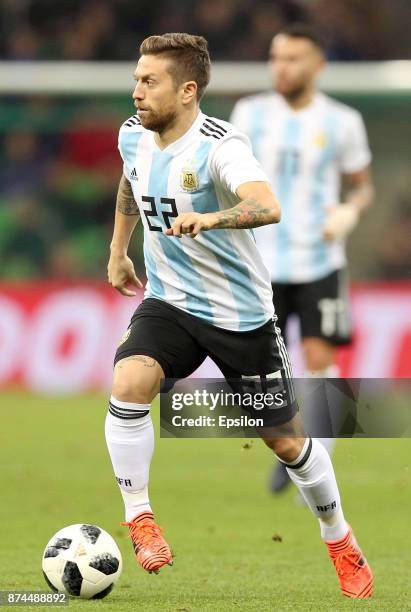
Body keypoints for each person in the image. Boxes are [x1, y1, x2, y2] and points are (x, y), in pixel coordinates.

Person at [105, 32, 373, 598]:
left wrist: (214, 219)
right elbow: (130, 185)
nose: (137, 92)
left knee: (288, 443)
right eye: (136, 79)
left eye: (149, 82)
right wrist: (118, 251)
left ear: (187, 90)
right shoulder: (133, 135)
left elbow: (265, 204)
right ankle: (140, 518)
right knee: (130, 381)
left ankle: (339, 536)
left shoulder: (221, 146)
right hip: (171, 300)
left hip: (240, 315)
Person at [230, 23, 374, 493]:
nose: (282, 67)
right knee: (265, 366)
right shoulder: (248, 114)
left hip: (319, 258)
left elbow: (362, 184)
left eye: (292, 58)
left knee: (320, 359)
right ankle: (291, 444)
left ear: (317, 65)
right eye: (276, 58)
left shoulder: (342, 121)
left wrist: (350, 212)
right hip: (260, 260)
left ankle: (316, 465)